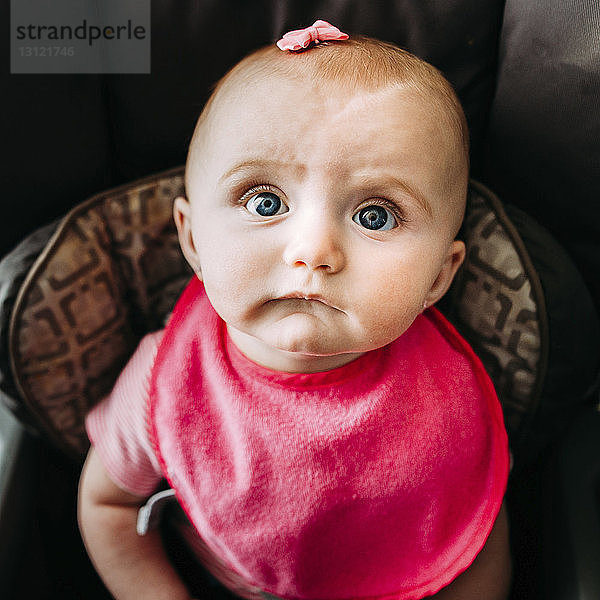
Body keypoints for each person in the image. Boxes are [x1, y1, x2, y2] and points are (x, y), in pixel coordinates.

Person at [78, 20, 511, 600]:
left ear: (438, 275)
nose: (312, 250)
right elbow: (107, 506)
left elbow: (474, 536)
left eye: (375, 215)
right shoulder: (162, 382)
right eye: (265, 202)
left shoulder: (445, 397)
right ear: (193, 240)